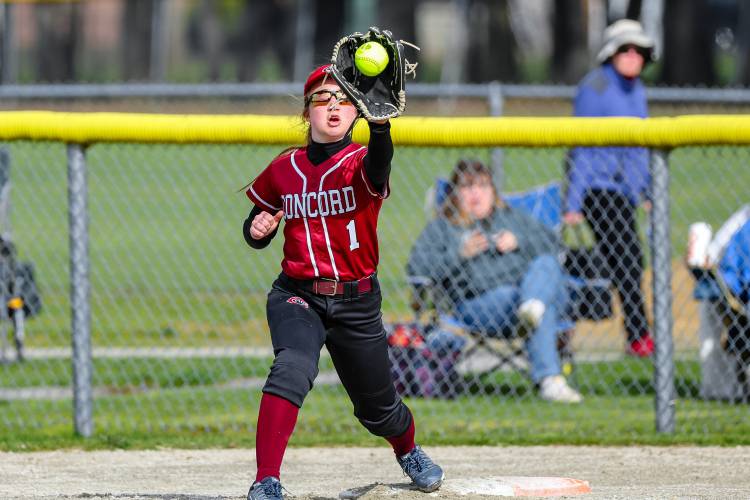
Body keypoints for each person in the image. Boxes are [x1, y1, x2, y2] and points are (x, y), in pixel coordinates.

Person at [242, 64, 444, 500]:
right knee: (291, 369)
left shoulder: (360, 163)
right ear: (306, 110)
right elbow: (258, 223)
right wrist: (257, 227)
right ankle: (266, 480)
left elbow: (379, 162)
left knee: (379, 410)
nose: (333, 107)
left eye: (343, 100)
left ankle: (408, 449)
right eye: (322, 99)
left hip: (357, 302)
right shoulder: (284, 168)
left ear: (356, 111)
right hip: (298, 295)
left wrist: (381, 126)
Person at [408, 159, 583, 404]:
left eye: (482, 186)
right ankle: (549, 378)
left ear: (493, 191)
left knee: (546, 265)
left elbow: (554, 247)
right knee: (540, 301)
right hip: (480, 305)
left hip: (526, 293)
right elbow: (417, 269)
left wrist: (519, 241)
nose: (476, 193)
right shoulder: (442, 228)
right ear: (455, 193)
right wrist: (459, 254)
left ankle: (532, 306)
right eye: (467, 187)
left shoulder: (513, 219)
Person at [563, 19, 656, 357]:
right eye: (625, 49)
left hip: (627, 193)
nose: (633, 56)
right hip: (599, 191)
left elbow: (639, 149)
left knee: (629, 259)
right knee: (627, 259)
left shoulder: (638, 89)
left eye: (639, 50)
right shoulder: (596, 87)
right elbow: (582, 148)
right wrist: (573, 203)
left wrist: (645, 191)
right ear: (611, 53)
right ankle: (640, 337)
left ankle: (638, 335)